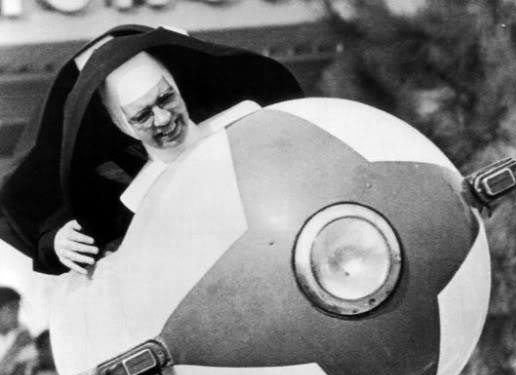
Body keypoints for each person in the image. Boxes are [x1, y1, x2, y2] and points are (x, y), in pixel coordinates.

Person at [0, 25, 304, 275]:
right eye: (142, 116)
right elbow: (72, 222)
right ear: (124, 125)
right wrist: (58, 241)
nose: (163, 118)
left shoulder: (245, 123)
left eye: (166, 99)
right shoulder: (129, 196)